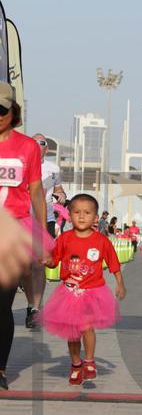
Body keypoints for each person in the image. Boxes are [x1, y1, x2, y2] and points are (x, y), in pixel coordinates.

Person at [38, 193, 126, 385]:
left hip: (92, 292)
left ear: (95, 218)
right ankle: (76, 364)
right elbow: (54, 261)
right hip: (68, 292)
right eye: (77, 212)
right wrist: (47, 261)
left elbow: (113, 263)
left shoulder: (101, 240)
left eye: (87, 212)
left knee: (86, 326)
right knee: (72, 333)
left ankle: (89, 361)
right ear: (69, 216)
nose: (81, 216)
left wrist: (120, 283)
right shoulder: (64, 238)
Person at [0, 83, 50, 389]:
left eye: (1, 111)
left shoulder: (27, 147)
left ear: (13, 112)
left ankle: (1, 368)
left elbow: (36, 193)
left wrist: (42, 235)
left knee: (2, 303)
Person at [21, 134, 67, 329]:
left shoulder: (53, 169)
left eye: (40, 143)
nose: (36, 145)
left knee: (39, 265)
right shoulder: (19, 164)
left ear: (46, 149)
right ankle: (30, 303)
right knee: (24, 267)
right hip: (21, 219)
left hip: (45, 220)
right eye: (32, 142)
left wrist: (61, 196)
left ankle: (35, 309)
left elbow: (59, 190)